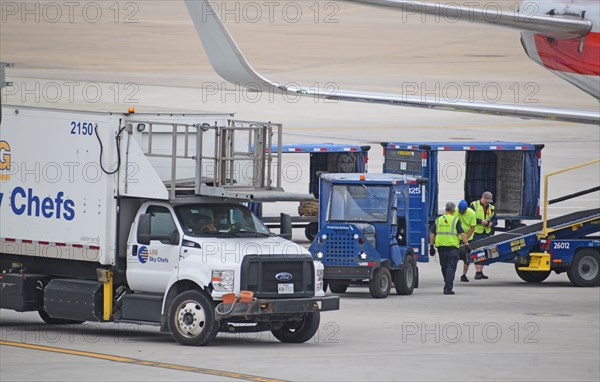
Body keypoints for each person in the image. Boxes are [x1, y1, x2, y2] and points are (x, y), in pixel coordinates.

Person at [429, 202, 471, 295]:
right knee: (451, 268)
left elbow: (432, 233)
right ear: (453, 210)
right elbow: (462, 234)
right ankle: (448, 288)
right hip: (452, 248)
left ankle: (447, 285)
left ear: (445, 209)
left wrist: (431, 246)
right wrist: (467, 244)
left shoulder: (438, 220)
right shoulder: (455, 220)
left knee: (444, 267)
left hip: (441, 248)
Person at [470, 191, 498, 280]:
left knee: (484, 251)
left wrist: (491, 223)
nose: (487, 202)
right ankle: (477, 272)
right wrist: (480, 221)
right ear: (482, 197)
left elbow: (495, 220)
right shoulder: (474, 205)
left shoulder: (491, 208)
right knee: (478, 251)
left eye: (489, 201)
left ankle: (480, 271)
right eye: (486, 200)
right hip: (477, 232)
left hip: (486, 232)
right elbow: (470, 217)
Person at [454, 199, 476, 282]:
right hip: (456, 238)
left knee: (466, 257)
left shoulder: (471, 213)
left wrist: (465, 238)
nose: (461, 212)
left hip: (468, 238)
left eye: (462, 211)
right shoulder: (455, 211)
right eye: (460, 210)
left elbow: (472, 227)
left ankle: (464, 274)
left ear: (466, 209)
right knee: (454, 256)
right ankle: (452, 273)